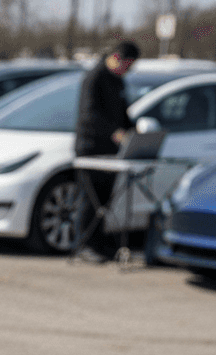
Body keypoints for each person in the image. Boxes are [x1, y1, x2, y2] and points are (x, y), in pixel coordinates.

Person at [74, 40, 140, 258]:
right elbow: (89, 115)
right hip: (90, 148)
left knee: (105, 200)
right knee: (90, 200)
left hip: (111, 151)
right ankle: (84, 245)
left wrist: (133, 132)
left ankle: (100, 244)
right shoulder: (94, 78)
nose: (129, 70)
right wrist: (114, 132)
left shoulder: (118, 81)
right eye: (128, 65)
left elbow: (123, 113)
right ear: (118, 58)